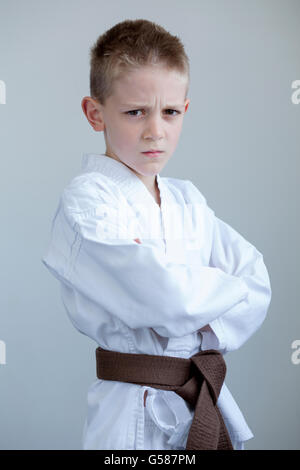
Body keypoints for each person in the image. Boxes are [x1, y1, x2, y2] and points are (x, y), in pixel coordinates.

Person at [41, 19, 272, 450]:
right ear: (95, 113)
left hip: (198, 397)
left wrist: (190, 298)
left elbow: (257, 283)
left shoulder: (188, 201)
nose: (155, 131)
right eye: (135, 112)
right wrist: (220, 290)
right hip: (130, 410)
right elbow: (164, 297)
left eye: (170, 112)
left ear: (186, 109)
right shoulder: (87, 201)